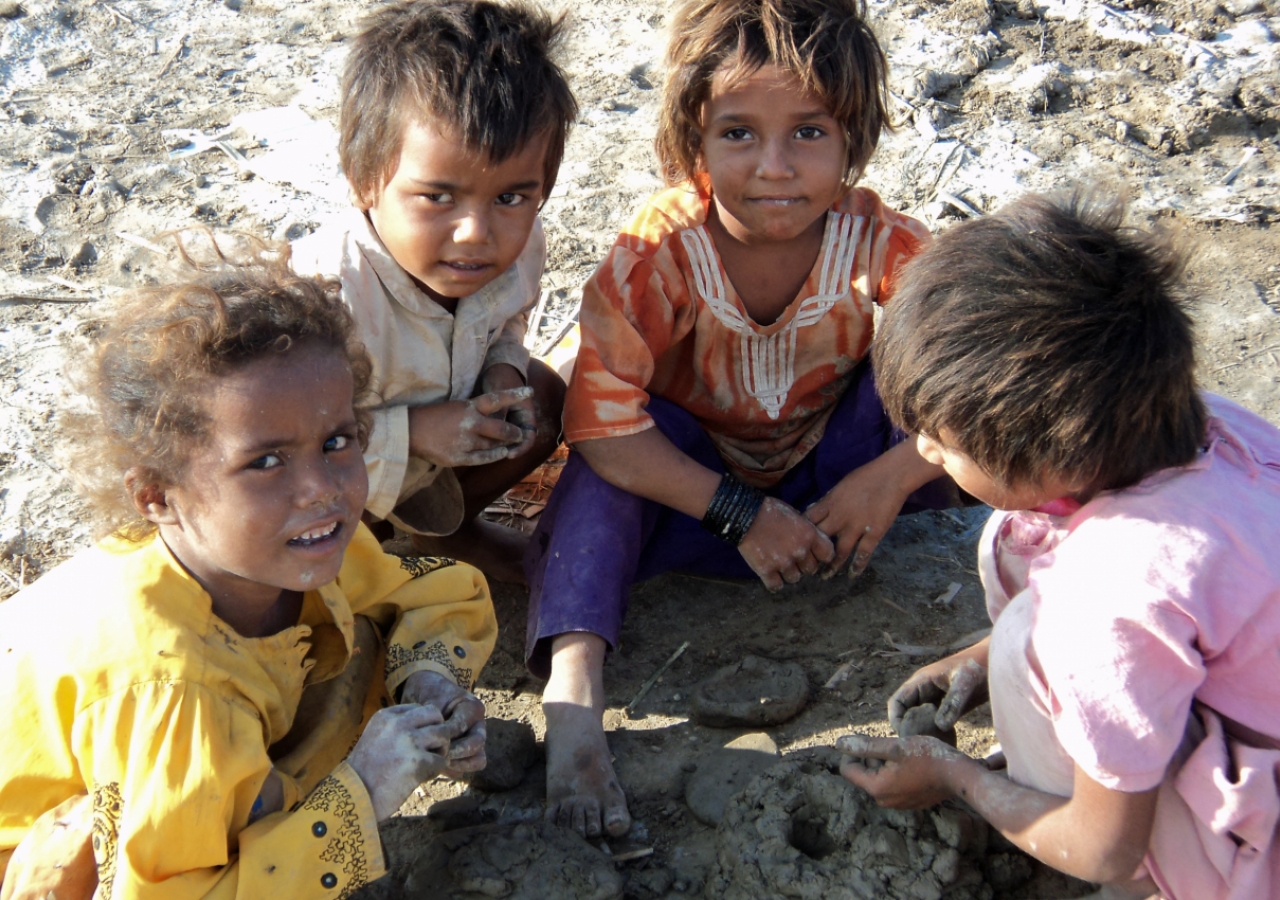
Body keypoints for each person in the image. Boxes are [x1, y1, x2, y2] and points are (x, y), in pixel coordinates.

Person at [526, 0, 958, 839]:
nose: (773, 166)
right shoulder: (659, 255)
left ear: (854, 138)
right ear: (694, 139)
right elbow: (605, 423)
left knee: (946, 376)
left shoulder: (882, 245)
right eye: (737, 134)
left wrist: (891, 475)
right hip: (693, 499)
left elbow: (994, 373)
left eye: (808, 132)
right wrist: (740, 513)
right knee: (605, 450)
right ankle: (574, 695)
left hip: (836, 497)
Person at [0, 244, 498, 900]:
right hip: (55, 855)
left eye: (337, 442)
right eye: (267, 462)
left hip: (194, 762)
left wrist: (428, 684)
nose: (320, 489)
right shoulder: (171, 692)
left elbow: (431, 588)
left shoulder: (281, 551)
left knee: (361, 638)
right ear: (157, 497)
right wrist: (363, 794)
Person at [838, 188, 1280, 900]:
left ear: (1058, 464)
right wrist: (972, 658)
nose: (921, 448)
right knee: (1011, 557)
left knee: (1026, 639)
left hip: (1254, 854)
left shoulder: (1105, 590)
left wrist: (960, 777)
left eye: (940, 441)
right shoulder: (1214, 428)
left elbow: (1103, 848)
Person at [290, 0, 577, 584]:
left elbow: (511, 320)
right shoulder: (324, 297)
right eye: (438, 198)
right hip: (339, 477)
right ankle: (356, 567)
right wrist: (414, 433)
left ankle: (448, 531)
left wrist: (504, 372)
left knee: (542, 400)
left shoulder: (520, 246)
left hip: (440, 460)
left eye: (511, 198)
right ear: (363, 180)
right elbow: (290, 445)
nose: (476, 233)